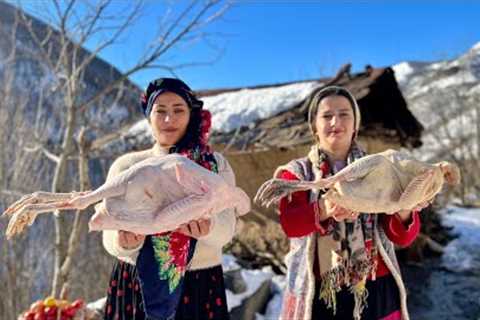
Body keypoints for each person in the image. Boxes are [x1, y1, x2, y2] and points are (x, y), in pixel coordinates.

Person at [274, 86, 424, 320]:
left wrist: (405, 210)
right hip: (319, 293)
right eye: (326, 115)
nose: (336, 121)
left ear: (356, 124)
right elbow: (290, 224)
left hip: (375, 289)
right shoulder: (296, 175)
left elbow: (402, 237)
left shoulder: (379, 171)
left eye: (344, 114)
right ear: (314, 125)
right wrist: (324, 208)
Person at [98, 78, 238, 320]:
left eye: (178, 110)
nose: (168, 119)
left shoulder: (214, 166)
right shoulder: (128, 166)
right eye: (160, 111)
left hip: (199, 286)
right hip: (137, 284)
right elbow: (107, 230)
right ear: (148, 117)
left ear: (191, 114)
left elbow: (227, 229)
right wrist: (123, 242)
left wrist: (209, 228)